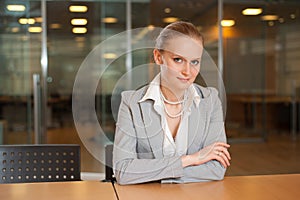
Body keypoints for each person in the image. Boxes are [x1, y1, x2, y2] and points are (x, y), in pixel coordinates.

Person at [113, 21, 231, 185]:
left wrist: (149, 173)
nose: (187, 72)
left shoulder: (210, 101)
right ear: (158, 57)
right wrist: (190, 160)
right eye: (178, 59)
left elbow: (216, 169)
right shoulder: (131, 104)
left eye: (195, 62)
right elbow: (124, 171)